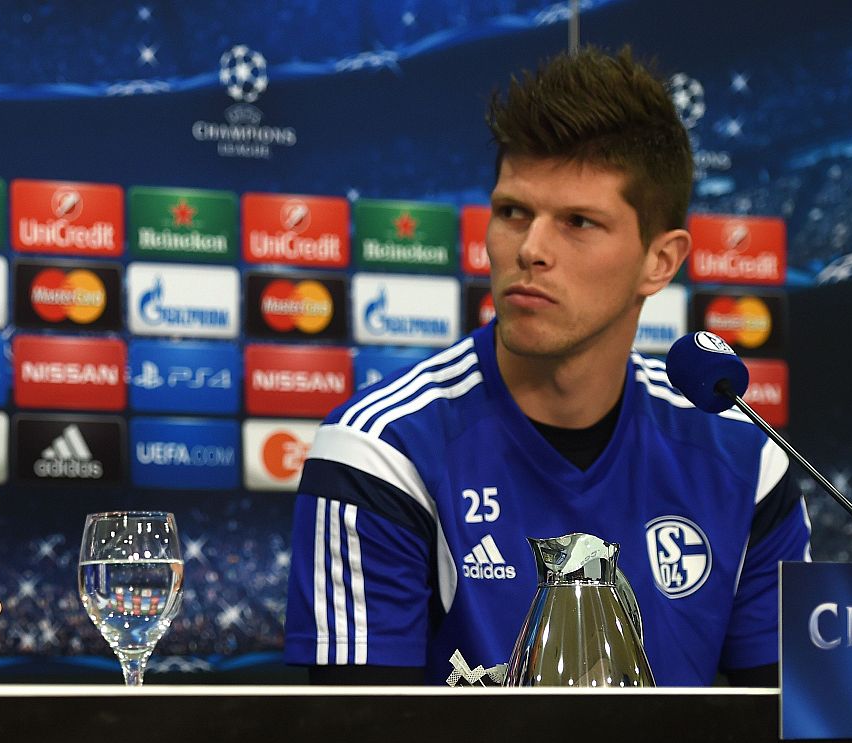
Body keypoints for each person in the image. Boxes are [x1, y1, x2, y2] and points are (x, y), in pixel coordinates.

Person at [285, 46, 810, 686]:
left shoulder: (747, 461)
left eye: (578, 222)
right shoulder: (382, 452)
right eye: (512, 213)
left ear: (661, 262)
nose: (531, 250)